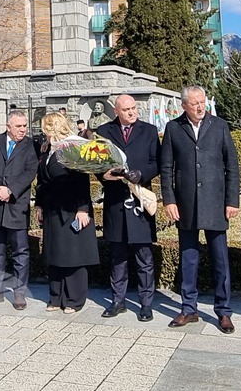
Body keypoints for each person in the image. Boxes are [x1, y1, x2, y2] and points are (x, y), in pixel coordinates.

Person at [160, 86, 240, 333]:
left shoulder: (219, 126)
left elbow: (232, 166)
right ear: (184, 105)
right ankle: (188, 308)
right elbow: (166, 169)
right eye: (194, 103)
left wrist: (232, 200)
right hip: (186, 203)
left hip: (215, 202)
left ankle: (223, 311)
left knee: (220, 259)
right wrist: (169, 200)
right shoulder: (174, 128)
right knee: (189, 258)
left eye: (202, 102)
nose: (199, 107)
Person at [97, 95, 160, 322]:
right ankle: (118, 301)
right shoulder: (103, 132)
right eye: (127, 109)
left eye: (134, 108)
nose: (132, 112)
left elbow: (156, 162)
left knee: (144, 256)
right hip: (115, 202)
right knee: (118, 257)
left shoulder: (149, 131)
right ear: (117, 111)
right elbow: (97, 163)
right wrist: (104, 176)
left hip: (140, 202)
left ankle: (146, 304)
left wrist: (142, 174)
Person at [34, 112, 98, 313]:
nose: (43, 132)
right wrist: (39, 205)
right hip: (53, 208)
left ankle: (73, 299)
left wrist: (82, 209)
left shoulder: (72, 148)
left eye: (46, 128)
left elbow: (81, 180)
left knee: (72, 255)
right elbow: (42, 181)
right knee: (54, 253)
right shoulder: (47, 151)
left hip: (71, 209)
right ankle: (56, 297)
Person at [0, 110, 39, 309]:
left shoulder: (31, 145)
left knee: (21, 252)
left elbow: (30, 171)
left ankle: (19, 293)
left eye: (24, 126)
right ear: (8, 126)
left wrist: (11, 190)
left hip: (16, 206)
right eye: (18, 126)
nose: (23, 129)